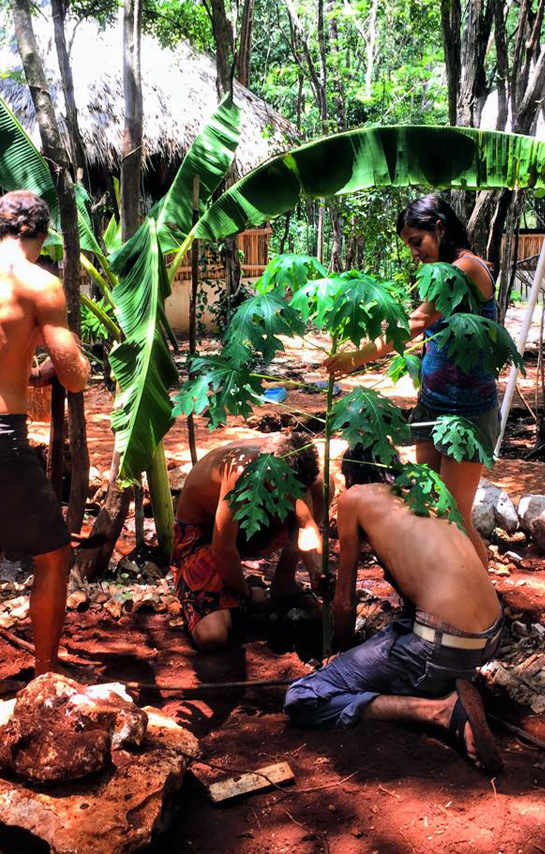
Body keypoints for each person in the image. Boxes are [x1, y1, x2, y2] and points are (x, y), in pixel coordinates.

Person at [0, 190, 90, 706]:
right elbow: (73, 376)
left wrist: (24, 373)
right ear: (43, 235)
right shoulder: (41, 283)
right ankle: (46, 685)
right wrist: (75, 366)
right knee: (54, 556)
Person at [283, 447, 504, 771]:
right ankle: (442, 680)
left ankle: (441, 711)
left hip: (444, 645)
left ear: (350, 476)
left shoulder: (354, 498)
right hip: (490, 636)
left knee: (304, 697)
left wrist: (341, 652)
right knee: (403, 628)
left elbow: (344, 602)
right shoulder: (421, 486)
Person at [325, 194, 498, 569]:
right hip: (433, 404)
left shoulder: (467, 268)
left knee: (456, 519)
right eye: (408, 246)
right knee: (432, 508)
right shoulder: (440, 270)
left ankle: (485, 608)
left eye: (416, 242)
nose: (414, 252)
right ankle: (444, 595)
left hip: (467, 413)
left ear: (439, 227)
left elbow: (417, 322)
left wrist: (355, 359)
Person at [172, 433, 329, 652]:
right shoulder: (240, 473)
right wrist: (246, 594)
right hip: (204, 536)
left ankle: (283, 582)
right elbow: (222, 547)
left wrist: (316, 572)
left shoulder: (294, 468)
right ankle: (214, 592)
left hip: (248, 531)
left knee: (321, 486)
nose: (292, 498)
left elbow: (306, 524)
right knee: (212, 637)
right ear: (272, 474)